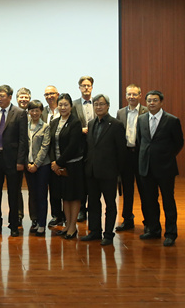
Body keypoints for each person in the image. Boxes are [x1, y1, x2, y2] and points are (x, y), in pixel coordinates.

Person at [138, 90, 184, 247]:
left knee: (168, 201)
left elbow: (179, 143)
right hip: (146, 168)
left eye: (155, 100)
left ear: (161, 102)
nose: (151, 103)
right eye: (149, 100)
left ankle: (170, 233)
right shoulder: (141, 119)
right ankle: (154, 230)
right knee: (150, 201)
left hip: (165, 168)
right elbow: (140, 141)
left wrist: (166, 156)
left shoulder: (172, 120)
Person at [80, 94, 126, 245]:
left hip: (108, 173)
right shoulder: (91, 123)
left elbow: (121, 151)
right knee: (93, 204)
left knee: (110, 204)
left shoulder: (116, 125)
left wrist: (117, 172)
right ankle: (94, 231)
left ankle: (108, 234)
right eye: (96, 104)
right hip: (92, 171)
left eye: (101, 104)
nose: (98, 107)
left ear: (108, 106)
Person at [0, 84, 28, 237]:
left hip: (13, 160)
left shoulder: (19, 113)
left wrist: (20, 161)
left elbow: (23, 139)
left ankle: (14, 224)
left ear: (10, 97)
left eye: (2, 96)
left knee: (13, 193)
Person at [48, 93, 85, 239]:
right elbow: (51, 144)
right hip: (58, 167)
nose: (63, 107)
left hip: (72, 166)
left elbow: (72, 146)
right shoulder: (54, 122)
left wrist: (59, 163)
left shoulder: (75, 122)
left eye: (66, 105)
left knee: (73, 197)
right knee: (65, 197)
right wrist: (53, 162)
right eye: (60, 105)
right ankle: (67, 225)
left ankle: (72, 227)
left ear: (71, 106)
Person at [115, 84, 148, 231]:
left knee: (145, 190)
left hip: (141, 156)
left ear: (140, 95)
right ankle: (127, 219)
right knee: (127, 190)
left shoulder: (146, 111)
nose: (131, 97)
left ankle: (149, 221)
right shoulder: (120, 113)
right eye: (129, 94)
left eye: (134, 94)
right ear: (126, 96)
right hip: (126, 155)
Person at [25, 99, 51, 236]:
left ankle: (42, 224)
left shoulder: (45, 127)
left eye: (37, 110)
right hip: (28, 165)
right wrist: (27, 163)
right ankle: (34, 220)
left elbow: (45, 147)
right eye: (32, 110)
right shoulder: (25, 126)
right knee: (32, 194)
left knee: (41, 195)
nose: (34, 113)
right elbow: (22, 145)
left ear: (41, 112)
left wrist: (36, 164)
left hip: (42, 166)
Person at [72, 76, 96, 222]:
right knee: (81, 179)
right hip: (80, 146)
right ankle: (81, 209)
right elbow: (71, 124)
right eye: (83, 85)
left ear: (92, 87)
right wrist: (80, 130)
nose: (86, 88)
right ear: (79, 87)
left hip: (95, 146)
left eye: (88, 85)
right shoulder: (74, 104)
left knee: (92, 179)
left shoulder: (98, 102)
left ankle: (92, 208)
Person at [42, 85, 63, 227]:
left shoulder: (64, 109)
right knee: (53, 189)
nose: (49, 96)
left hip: (62, 155)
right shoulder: (43, 112)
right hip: (46, 156)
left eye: (52, 93)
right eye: (47, 94)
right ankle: (56, 215)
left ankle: (68, 214)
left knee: (65, 188)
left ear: (57, 94)